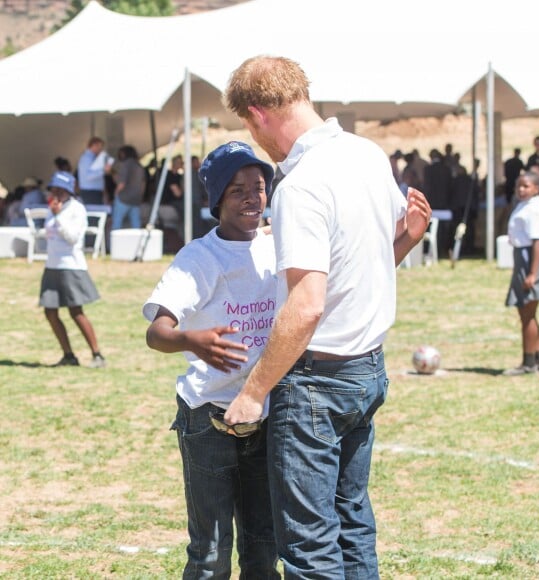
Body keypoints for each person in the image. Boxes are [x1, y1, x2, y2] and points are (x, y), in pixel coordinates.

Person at [222, 55, 431, 578]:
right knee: (353, 524)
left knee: (310, 548)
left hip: (317, 380)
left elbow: (308, 301)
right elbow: (374, 257)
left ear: (257, 113)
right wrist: (411, 235)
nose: (255, 140)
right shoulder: (365, 153)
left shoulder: (300, 185)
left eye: (249, 127)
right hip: (366, 369)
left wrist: (253, 391)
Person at [143, 141, 280, 579]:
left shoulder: (279, 245)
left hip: (266, 414)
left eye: (258, 187)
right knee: (210, 553)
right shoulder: (200, 257)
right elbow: (156, 331)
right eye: (237, 189)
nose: (251, 198)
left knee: (263, 548)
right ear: (216, 198)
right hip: (208, 419)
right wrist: (191, 340)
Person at [39, 171, 105, 368]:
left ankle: (97, 354)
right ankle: (68, 355)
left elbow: (72, 238)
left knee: (76, 312)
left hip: (70, 266)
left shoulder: (76, 209)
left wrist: (58, 217)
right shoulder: (52, 208)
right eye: (53, 190)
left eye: (60, 190)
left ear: (68, 191)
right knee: (50, 312)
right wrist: (55, 214)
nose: (56, 194)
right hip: (52, 265)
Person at [503, 172, 539, 376]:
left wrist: (532, 273)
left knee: (527, 313)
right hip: (524, 256)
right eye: (519, 186)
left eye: (526, 186)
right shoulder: (526, 204)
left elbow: (537, 241)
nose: (521, 190)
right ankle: (538, 358)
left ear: (536, 188)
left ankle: (528, 362)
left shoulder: (534, 208)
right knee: (529, 313)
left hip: (530, 259)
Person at [110, 145, 146, 230]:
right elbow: (143, 184)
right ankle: (137, 242)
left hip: (124, 198)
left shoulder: (125, 165)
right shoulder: (139, 166)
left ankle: (115, 243)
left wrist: (116, 193)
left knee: (117, 223)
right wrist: (140, 196)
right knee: (136, 224)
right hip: (136, 199)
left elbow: (121, 183)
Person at [76, 137, 113, 206]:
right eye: (100, 146)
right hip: (90, 192)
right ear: (94, 145)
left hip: (94, 191)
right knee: (94, 214)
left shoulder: (93, 158)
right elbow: (88, 176)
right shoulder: (86, 158)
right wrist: (103, 170)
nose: (101, 149)